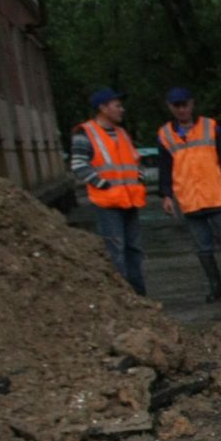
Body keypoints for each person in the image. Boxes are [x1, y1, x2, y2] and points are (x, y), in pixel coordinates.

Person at [155, 86, 221, 302]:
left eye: (184, 104)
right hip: (190, 199)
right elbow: (165, 168)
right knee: (203, 249)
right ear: (170, 107)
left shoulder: (210, 127)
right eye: (177, 106)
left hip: (217, 195)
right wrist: (166, 195)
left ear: (192, 104)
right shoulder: (165, 135)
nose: (182, 109)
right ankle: (216, 288)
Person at [70, 87, 148, 295]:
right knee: (116, 250)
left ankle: (140, 297)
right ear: (103, 108)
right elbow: (79, 165)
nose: (122, 110)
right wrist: (104, 185)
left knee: (133, 250)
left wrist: (139, 179)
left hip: (130, 201)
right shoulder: (85, 133)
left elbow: (134, 161)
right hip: (108, 202)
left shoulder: (122, 133)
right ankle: (126, 299)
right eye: (117, 105)